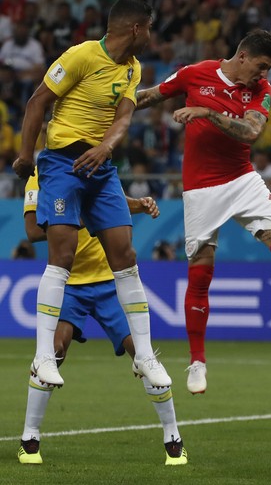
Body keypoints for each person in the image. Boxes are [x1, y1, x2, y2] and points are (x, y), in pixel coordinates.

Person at [135, 30, 271, 395]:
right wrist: (105, 105)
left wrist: (206, 112)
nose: (264, 74)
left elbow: (251, 132)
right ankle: (197, 361)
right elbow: (148, 97)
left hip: (242, 179)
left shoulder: (261, 89)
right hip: (200, 187)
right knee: (200, 272)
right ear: (242, 56)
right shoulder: (195, 73)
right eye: (261, 66)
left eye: (269, 68)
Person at [12, 0, 171, 390]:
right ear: (136, 29)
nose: (151, 37)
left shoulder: (133, 69)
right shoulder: (81, 55)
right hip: (62, 163)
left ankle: (146, 357)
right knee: (62, 254)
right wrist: (24, 156)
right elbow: (37, 103)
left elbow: (125, 118)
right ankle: (44, 356)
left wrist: (105, 148)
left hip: (100, 167)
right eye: (149, 28)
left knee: (126, 255)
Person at [18, 172, 187, 466]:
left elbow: (115, 205)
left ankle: (173, 438)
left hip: (110, 283)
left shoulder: (97, 169)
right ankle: (29, 438)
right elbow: (32, 231)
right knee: (54, 351)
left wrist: (139, 204)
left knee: (143, 353)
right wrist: (79, 217)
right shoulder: (40, 176)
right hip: (69, 285)